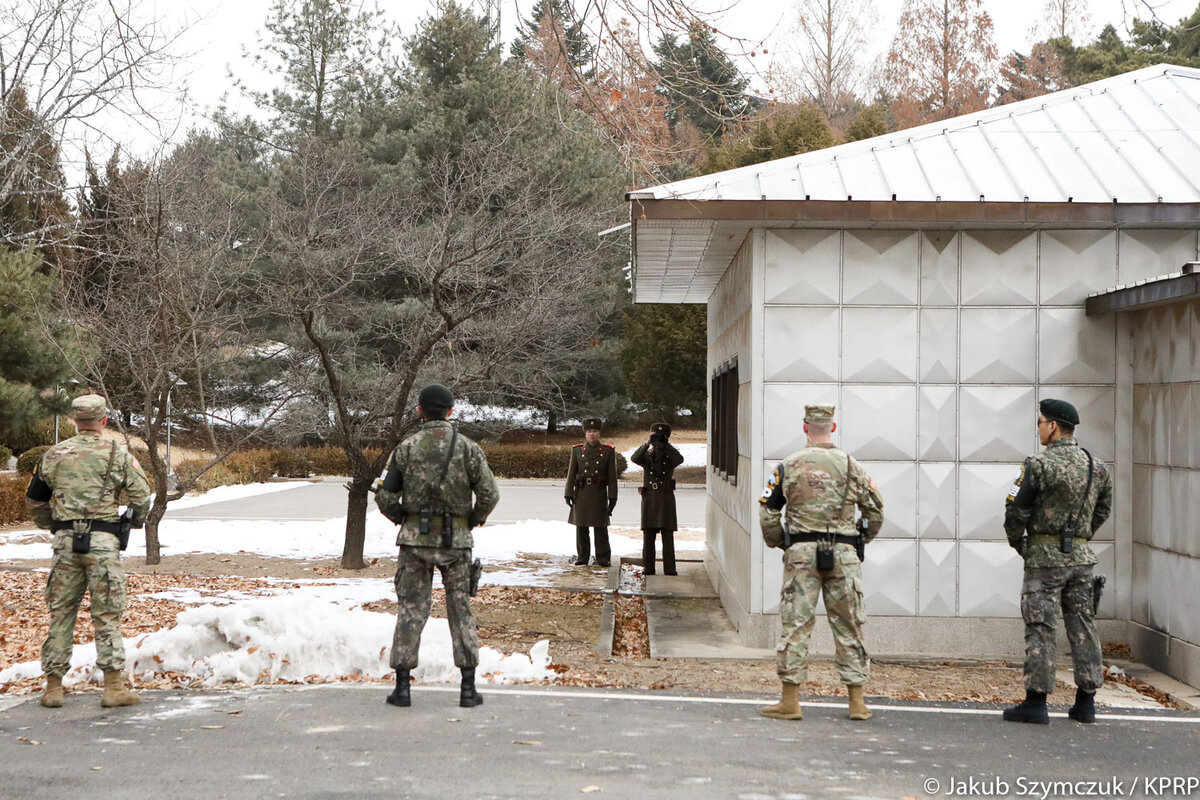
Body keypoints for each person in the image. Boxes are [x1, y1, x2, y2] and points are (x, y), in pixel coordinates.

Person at [375, 383, 500, 709]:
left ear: (419, 411)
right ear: (451, 410)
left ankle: (402, 689)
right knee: (461, 612)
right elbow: (490, 494)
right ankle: (468, 690)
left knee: (411, 611)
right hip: (455, 543)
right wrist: (472, 519)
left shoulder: (405, 448)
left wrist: (403, 518)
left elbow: (386, 495)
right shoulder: (468, 448)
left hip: (415, 543)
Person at [25, 393, 151, 709]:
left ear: (75, 421)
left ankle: (53, 688)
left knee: (61, 614)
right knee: (107, 614)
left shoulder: (53, 454)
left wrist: (53, 525)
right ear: (104, 420)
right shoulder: (117, 453)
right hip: (104, 545)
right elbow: (141, 498)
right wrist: (132, 522)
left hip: (65, 545)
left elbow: (35, 500)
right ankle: (113, 688)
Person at [758, 405, 884, 721]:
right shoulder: (852, 466)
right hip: (843, 554)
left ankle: (790, 701)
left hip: (801, 553)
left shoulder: (787, 466)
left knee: (796, 624)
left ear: (805, 429)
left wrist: (778, 542)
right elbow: (876, 511)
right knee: (849, 625)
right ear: (833, 426)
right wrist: (857, 543)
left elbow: (768, 512)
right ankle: (857, 702)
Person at [1002, 398, 1112, 725]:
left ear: (1052, 426)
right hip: (1081, 560)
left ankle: (1036, 702)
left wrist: (1020, 543)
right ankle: (1086, 703)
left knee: (1041, 626)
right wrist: (1080, 538)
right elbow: (1103, 509)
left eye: (1040, 422)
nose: (1038, 428)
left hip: (1044, 561)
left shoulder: (1037, 464)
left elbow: (1015, 510)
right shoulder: (1097, 466)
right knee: (1083, 627)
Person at [630, 422, 685, 576]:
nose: (658, 439)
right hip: (650, 497)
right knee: (648, 533)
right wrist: (647, 443)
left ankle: (670, 568)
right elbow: (635, 458)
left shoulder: (669, 453)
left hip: (665, 497)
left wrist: (667, 445)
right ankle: (648, 566)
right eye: (655, 435)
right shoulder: (648, 454)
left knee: (667, 534)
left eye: (661, 436)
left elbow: (679, 460)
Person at [564, 417, 618, 567]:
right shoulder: (577, 450)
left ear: (599, 433)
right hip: (581, 492)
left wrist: (613, 498)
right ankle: (583, 556)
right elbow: (571, 473)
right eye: (589, 431)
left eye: (594, 431)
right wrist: (568, 492)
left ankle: (603, 557)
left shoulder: (607, 451)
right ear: (585, 433)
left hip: (598, 492)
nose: (592, 434)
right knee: (581, 526)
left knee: (600, 527)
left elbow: (612, 478)